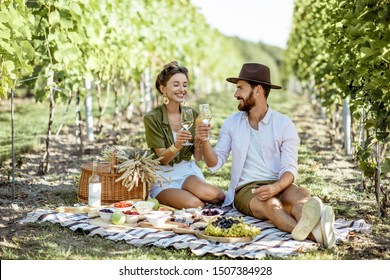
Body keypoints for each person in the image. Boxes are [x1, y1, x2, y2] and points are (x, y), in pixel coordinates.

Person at [195, 63, 336, 248]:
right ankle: (317, 236)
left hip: (278, 182)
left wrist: (276, 187)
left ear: (258, 90)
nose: (235, 94)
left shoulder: (283, 124)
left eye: (240, 88)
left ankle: (314, 224)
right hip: (246, 189)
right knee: (272, 205)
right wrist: (204, 140)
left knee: (301, 197)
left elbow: (289, 169)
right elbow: (214, 164)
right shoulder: (232, 123)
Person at [143, 61, 225, 209]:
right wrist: (177, 145)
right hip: (163, 177)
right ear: (163, 89)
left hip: (186, 172)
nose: (182, 89)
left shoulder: (191, 114)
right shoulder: (152, 118)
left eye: (185, 85)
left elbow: (198, 157)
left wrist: (199, 140)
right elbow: (163, 160)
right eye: (176, 85)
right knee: (195, 204)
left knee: (217, 196)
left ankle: (190, 192)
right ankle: (182, 196)